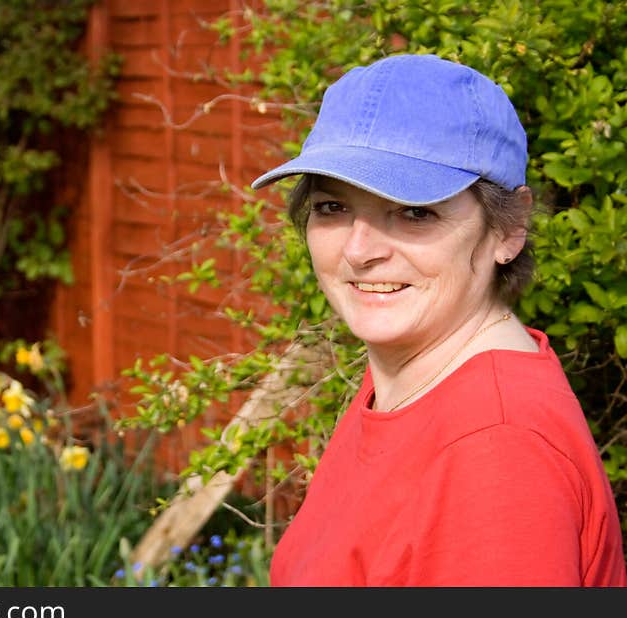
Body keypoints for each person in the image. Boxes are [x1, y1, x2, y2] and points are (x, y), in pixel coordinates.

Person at [251, 53, 627, 586]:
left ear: (508, 230)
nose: (359, 251)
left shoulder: (497, 452)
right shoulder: (413, 380)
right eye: (332, 208)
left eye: (413, 212)